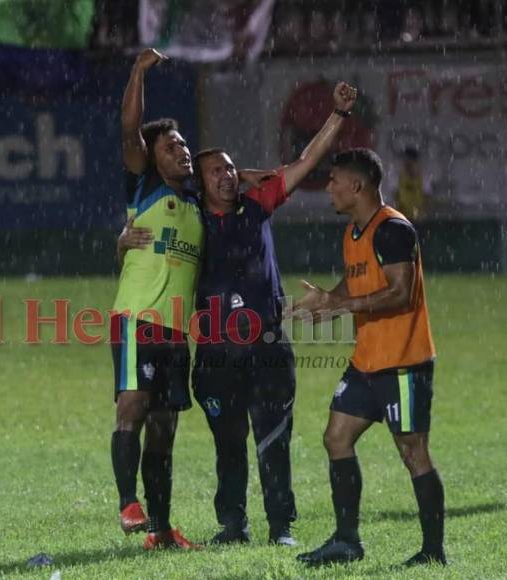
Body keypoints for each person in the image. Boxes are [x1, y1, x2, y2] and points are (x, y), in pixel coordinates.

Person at [120, 82, 358, 546]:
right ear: (200, 183)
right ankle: (233, 525)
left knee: (273, 440)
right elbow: (146, 221)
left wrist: (338, 115)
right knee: (228, 446)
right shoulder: (189, 215)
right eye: (216, 171)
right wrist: (120, 239)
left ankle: (281, 527)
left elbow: (305, 162)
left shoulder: (257, 205)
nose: (227, 176)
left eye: (230, 168)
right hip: (214, 353)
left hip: (267, 345)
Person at [288, 148, 445, 567]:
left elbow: (400, 291)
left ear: (357, 186)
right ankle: (347, 541)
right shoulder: (354, 232)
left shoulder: (393, 228)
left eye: (334, 179)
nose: (328, 187)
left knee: (413, 452)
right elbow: (357, 282)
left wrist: (341, 308)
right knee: (336, 438)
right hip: (367, 361)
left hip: (404, 361)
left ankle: (432, 553)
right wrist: (325, 301)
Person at [110, 48, 203, 550]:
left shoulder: (197, 203)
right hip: (136, 320)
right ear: (151, 156)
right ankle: (128, 502)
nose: (182, 151)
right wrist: (138, 73)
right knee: (133, 406)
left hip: (175, 332)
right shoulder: (144, 185)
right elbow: (129, 131)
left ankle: (162, 531)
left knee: (165, 430)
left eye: (184, 144)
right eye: (171, 146)